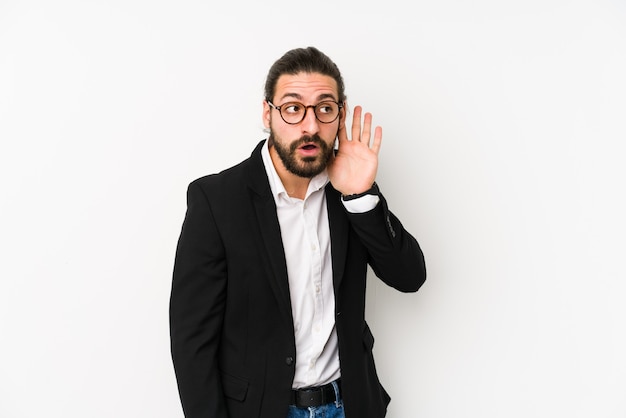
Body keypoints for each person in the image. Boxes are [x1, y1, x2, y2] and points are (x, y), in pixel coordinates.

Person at [169, 46, 427, 418]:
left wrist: (360, 196)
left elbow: (410, 276)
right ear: (267, 114)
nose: (310, 126)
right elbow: (191, 341)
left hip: (349, 404)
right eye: (293, 108)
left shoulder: (349, 191)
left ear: (339, 115)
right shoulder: (216, 201)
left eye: (324, 109)